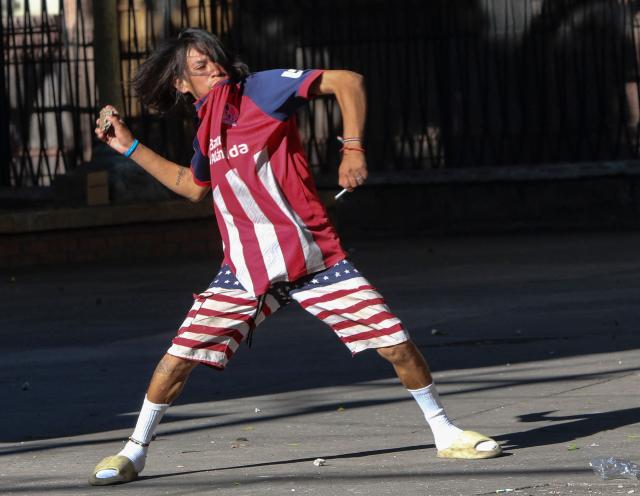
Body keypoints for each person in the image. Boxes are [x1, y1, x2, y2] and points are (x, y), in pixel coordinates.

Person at [89, 28, 501, 486]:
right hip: (244, 273)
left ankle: (445, 432)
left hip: (314, 260)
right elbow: (192, 186)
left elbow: (348, 80)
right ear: (182, 85)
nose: (216, 70)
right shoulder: (208, 128)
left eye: (216, 60)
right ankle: (134, 452)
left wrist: (353, 148)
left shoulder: (262, 89)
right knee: (176, 360)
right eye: (201, 68)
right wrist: (127, 146)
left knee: (396, 343)